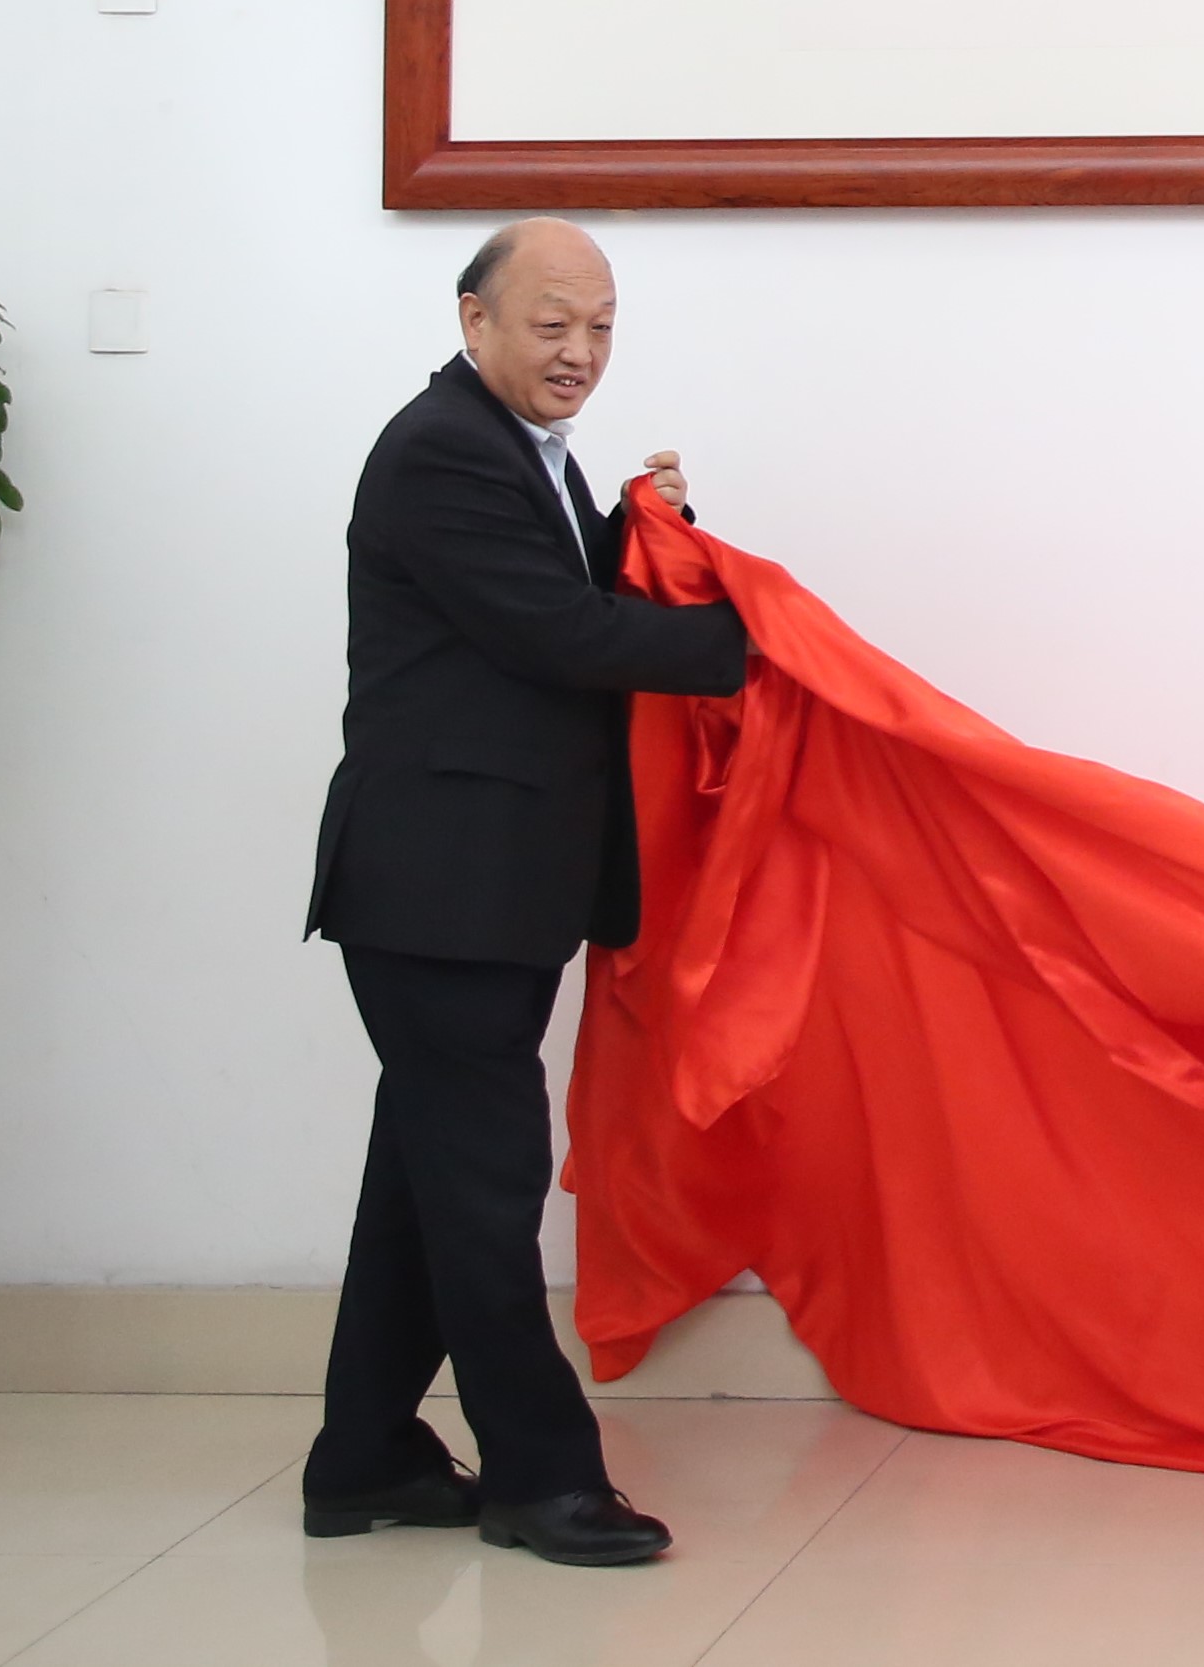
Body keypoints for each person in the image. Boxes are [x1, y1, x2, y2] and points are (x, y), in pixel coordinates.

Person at [301, 219, 749, 1566]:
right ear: (473, 319)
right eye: (552, 324)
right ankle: (541, 1479)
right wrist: (742, 642)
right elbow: (553, 631)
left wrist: (644, 529)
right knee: (486, 1190)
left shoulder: (515, 453)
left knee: (425, 1180)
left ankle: (366, 1459)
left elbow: (549, 587)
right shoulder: (442, 450)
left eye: (601, 328)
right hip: (438, 891)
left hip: (482, 887)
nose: (579, 353)